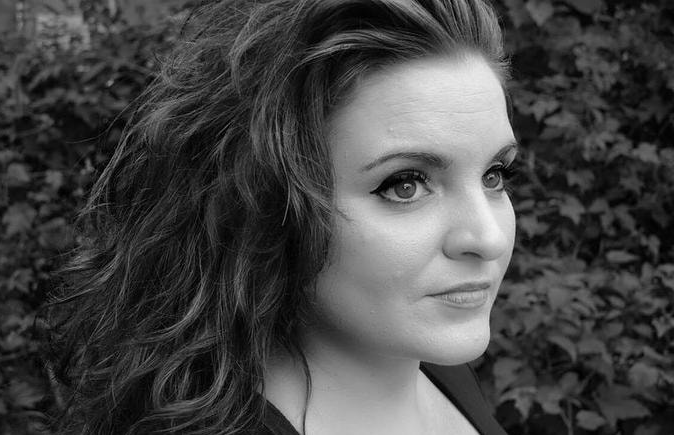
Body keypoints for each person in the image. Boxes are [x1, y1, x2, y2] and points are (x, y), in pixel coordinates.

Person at [48, 0, 516, 434]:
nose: (488, 238)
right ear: (265, 204)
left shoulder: (432, 365)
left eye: (494, 175)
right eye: (405, 185)